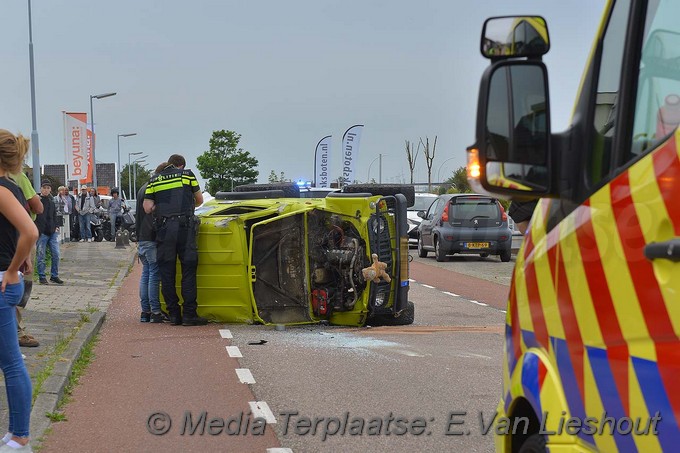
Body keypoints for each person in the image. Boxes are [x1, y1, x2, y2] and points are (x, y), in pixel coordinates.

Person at [0, 129, 40, 452]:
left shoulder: (1, 190)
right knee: (10, 360)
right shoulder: (12, 188)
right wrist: (22, 258)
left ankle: (20, 435)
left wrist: (13, 267)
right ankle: (15, 432)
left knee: (12, 361)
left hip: (2, 282)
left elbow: (30, 230)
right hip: (6, 280)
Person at [143, 154, 205, 326]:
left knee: (167, 273)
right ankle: (189, 315)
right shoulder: (187, 175)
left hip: (164, 230)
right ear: (180, 165)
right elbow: (199, 200)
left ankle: (174, 315)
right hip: (185, 228)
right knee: (188, 271)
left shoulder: (154, 180)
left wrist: (162, 208)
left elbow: (147, 208)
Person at [8, 172, 42, 349]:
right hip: (14, 241)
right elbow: (38, 208)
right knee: (20, 287)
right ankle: (16, 331)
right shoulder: (16, 178)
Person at [136, 163, 167, 323]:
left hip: (142, 236)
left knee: (146, 273)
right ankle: (155, 311)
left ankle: (145, 311)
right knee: (154, 274)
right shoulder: (155, 187)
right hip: (151, 236)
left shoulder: (143, 187)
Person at [35, 181, 63, 286]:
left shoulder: (52, 201)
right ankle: (42, 276)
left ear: (50, 189)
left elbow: (54, 215)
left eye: (48, 188)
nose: (46, 190)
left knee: (56, 254)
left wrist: (56, 226)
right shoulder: (37, 200)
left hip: (52, 232)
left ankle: (54, 275)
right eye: (44, 188)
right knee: (41, 255)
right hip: (42, 232)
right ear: (41, 189)